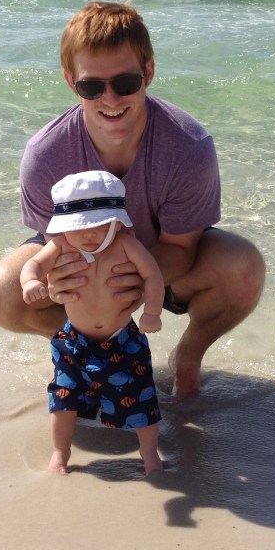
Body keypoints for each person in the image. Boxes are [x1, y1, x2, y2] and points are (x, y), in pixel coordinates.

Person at [0, 0, 265, 398]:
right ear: (71, 82)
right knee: (0, 292)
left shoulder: (189, 146)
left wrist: (130, 282)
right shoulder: (45, 155)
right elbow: (56, 247)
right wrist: (65, 286)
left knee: (243, 269)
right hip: (80, 262)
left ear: (149, 72)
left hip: (162, 263)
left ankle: (188, 356)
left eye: (126, 83)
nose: (110, 100)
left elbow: (180, 249)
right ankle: (85, 351)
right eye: (92, 87)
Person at [21, 170, 165, 475]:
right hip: (74, 343)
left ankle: (150, 453)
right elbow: (33, 263)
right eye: (79, 226)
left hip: (122, 340)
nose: (88, 234)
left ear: (117, 222)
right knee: (63, 398)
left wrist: (152, 312)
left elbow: (153, 274)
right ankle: (60, 453)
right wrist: (30, 281)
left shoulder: (126, 244)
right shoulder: (61, 245)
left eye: (98, 225)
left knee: (141, 399)